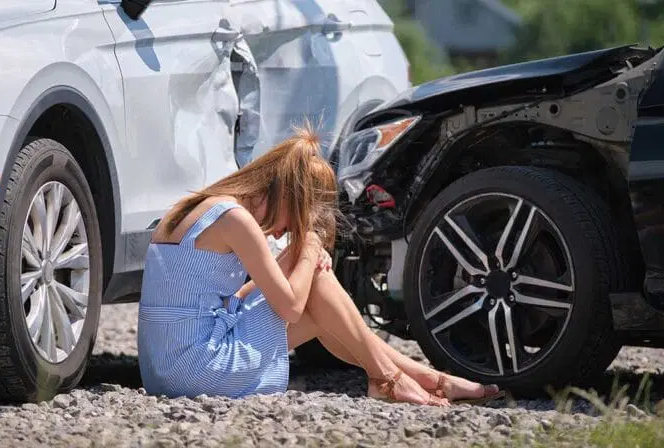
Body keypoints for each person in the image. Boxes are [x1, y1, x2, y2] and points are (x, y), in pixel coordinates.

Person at [137, 123, 503, 406]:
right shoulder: (236, 220)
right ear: (287, 197)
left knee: (321, 297)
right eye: (295, 221)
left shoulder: (207, 207)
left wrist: (294, 259)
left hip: (165, 368)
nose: (285, 231)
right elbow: (291, 309)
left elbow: (234, 299)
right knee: (317, 294)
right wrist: (309, 249)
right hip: (196, 370)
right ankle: (393, 379)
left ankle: (414, 378)